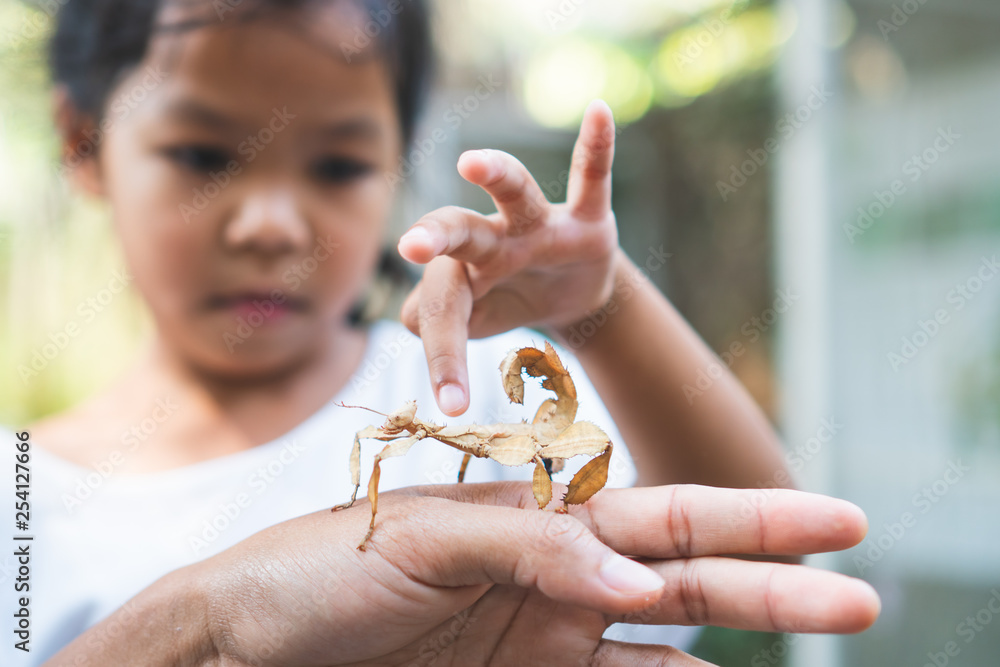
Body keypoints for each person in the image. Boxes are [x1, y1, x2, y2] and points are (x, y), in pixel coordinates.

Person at [4, 0, 878, 664]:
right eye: (203, 155)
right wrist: (204, 621)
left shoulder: (478, 385)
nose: (271, 225)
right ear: (83, 142)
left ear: (400, 157)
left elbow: (748, 548)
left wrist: (601, 308)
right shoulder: (20, 498)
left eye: (339, 164)